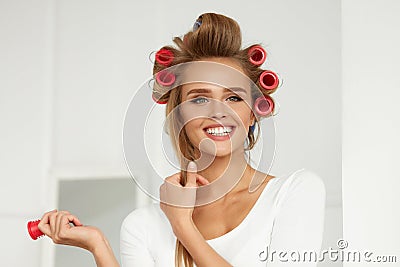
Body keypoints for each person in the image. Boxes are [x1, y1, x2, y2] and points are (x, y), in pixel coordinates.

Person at [38, 13, 325, 267]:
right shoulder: (143, 226)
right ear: (178, 117)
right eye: (199, 98)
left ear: (252, 114)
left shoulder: (294, 193)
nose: (218, 112)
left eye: (234, 97)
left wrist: (183, 227)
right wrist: (97, 244)